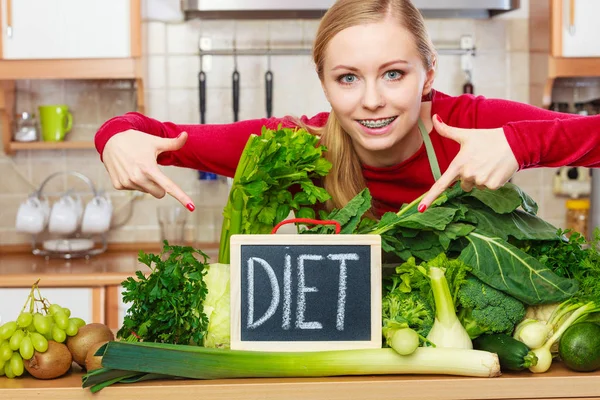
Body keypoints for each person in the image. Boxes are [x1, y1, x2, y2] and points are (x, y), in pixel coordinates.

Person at [95, 0, 600, 219]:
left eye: (394, 73)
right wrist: (116, 136)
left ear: (429, 73)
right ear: (324, 83)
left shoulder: (471, 123)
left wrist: (521, 142)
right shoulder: (297, 147)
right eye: (348, 79)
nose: (372, 99)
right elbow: (150, 132)